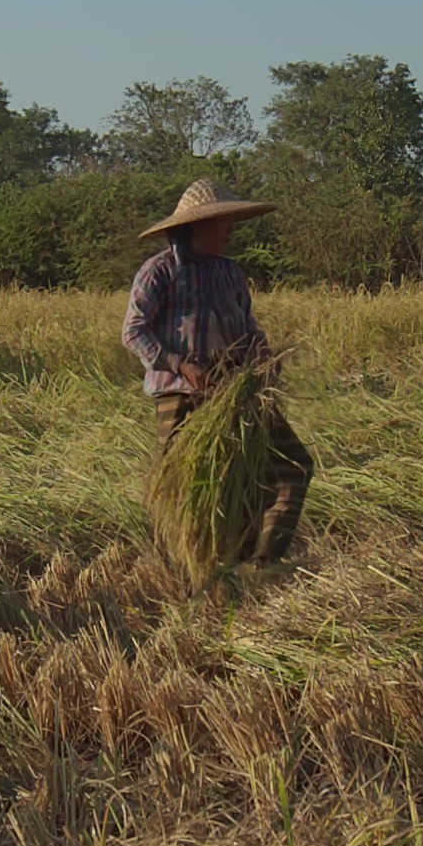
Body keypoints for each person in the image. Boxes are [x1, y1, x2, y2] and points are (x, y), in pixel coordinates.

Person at [120, 180, 312, 563]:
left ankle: (259, 566)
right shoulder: (159, 271)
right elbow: (133, 331)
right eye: (223, 222)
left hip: (235, 393)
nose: (230, 230)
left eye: (231, 221)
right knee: (192, 493)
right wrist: (179, 364)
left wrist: (262, 354)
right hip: (182, 396)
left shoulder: (230, 273)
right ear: (196, 226)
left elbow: (247, 328)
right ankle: (195, 574)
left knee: (292, 467)